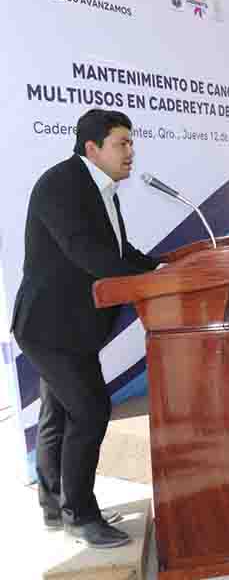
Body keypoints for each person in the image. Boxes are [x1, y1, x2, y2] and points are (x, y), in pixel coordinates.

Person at [12, 109, 160, 548]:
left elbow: (119, 249)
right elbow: (82, 251)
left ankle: (54, 506)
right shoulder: (61, 184)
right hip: (49, 327)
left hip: (72, 327)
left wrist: (162, 267)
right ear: (91, 147)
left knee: (58, 414)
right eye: (122, 143)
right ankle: (81, 514)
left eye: (131, 142)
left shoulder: (104, 190)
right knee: (90, 410)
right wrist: (144, 284)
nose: (130, 151)